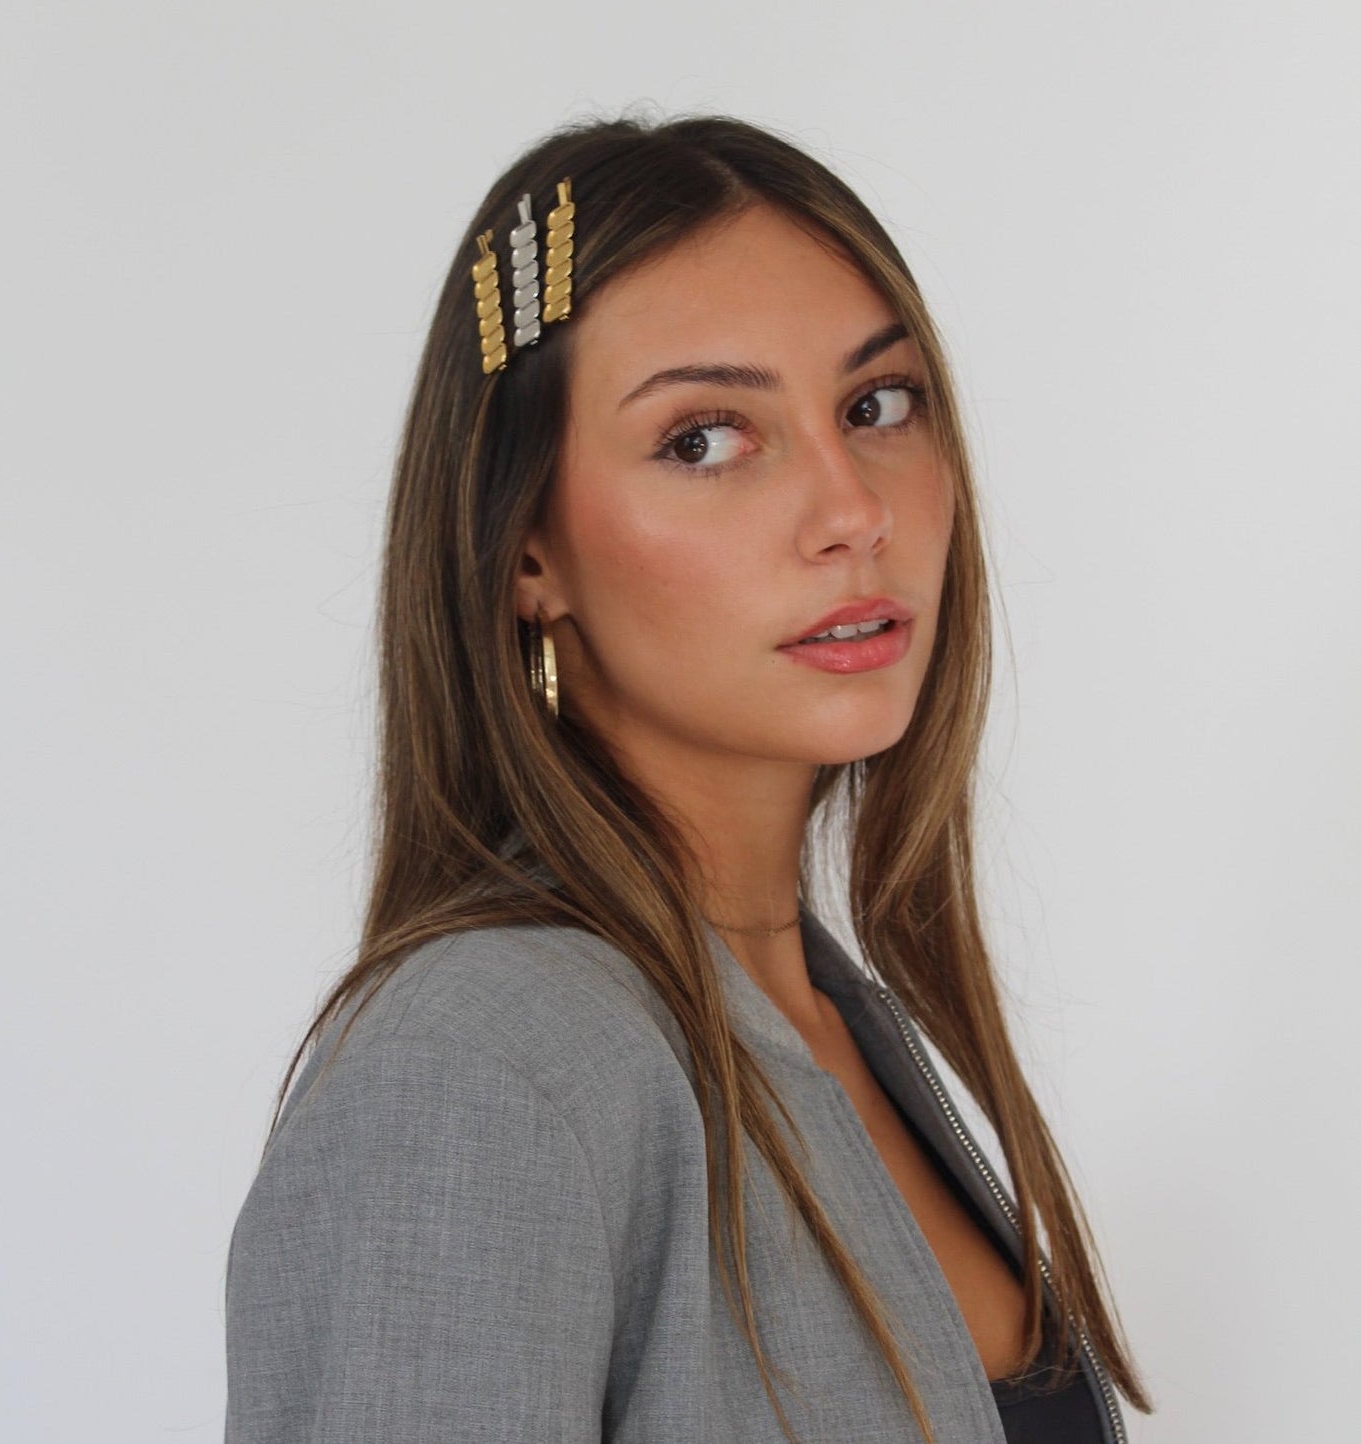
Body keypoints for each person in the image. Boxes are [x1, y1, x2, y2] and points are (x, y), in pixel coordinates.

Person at [223, 112, 1154, 1444]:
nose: (850, 510)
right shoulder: (484, 1067)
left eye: (875, 405)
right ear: (526, 552)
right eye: (704, 441)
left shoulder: (840, 1027)